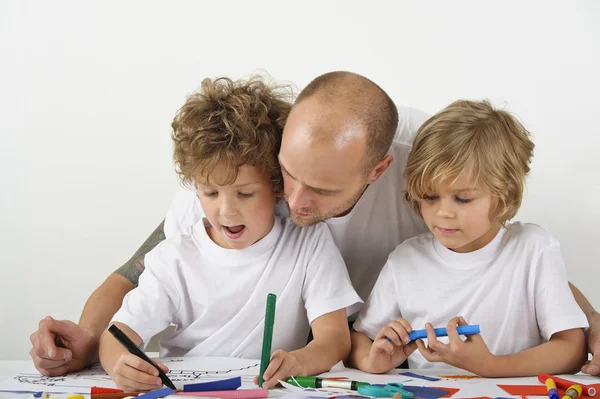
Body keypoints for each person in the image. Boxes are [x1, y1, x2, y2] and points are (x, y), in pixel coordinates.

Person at [30, 71, 600, 376]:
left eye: (324, 189)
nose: (296, 202)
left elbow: (504, 252)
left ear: (380, 169)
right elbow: (135, 270)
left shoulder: (424, 167)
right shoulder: (246, 166)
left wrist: (590, 325)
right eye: (286, 176)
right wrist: (86, 343)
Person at [98, 76, 362, 391]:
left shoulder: (309, 243)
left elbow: (334, 339)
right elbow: (117, 335)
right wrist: (120, 365)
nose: (227, 211)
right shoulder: (174, 258)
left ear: (276, 187)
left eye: (245, 194)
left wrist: (300, 361)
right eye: (210, 193)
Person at [349, 100, 588, 376]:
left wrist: (491, 366)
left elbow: (571, 348)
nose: (443, 213)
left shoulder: (533, 248)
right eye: (430, 196)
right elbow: (360, 337)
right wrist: (372, 359)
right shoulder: (405, 260)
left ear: (504, 194)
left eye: (463, 199)